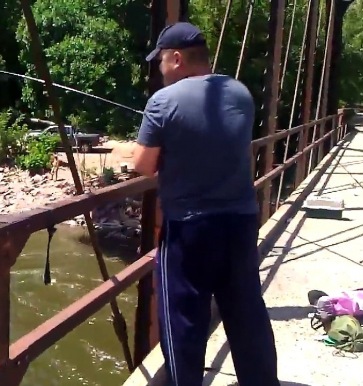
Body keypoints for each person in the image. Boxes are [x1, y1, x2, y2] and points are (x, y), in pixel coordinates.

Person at [133, 22, 280, 386]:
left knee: (183, 319)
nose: (160, 70)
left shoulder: (163, 101)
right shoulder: (240, 92)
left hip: (190, 228)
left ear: (177, 58)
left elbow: (143, 165)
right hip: (242, 221)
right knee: (246, 312)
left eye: (162, 61)